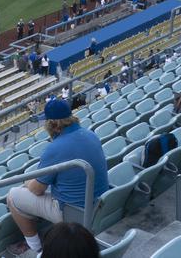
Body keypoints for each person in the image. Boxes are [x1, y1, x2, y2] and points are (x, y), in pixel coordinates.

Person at [6, 99, 109, 257]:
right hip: (99, 205)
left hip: (72, 212)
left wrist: (27, 182)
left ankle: (35, 248)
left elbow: (37, 189)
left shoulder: (55, 148)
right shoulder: (90, 134)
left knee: (13, 196)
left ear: (52, 124)